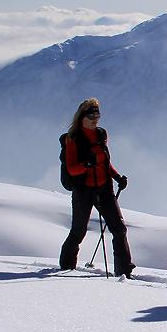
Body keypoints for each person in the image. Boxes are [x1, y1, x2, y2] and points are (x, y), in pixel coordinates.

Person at [58, 98, 135, 277]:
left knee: (119, 229)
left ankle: (124, 272)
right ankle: (66, 268)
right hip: (83, 190)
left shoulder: (101, 134)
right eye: (91, 116)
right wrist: (86, 164)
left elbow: (104, 162)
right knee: (79, 231)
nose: (95, 119)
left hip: (104, 188)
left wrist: (117, 177)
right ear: (82, 117)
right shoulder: (72, 139)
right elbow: (71, 168)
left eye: (97, 115)